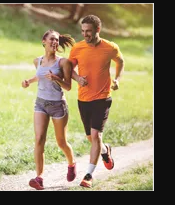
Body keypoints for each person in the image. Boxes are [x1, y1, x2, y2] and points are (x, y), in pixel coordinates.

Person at [68, 15, 125, 188]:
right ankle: (105, 151)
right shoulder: (77, 48)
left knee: (95, 136)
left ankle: (88, 175)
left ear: (97, 30)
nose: (85, 34)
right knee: (91, 138)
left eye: (89, 31)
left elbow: (120, 61)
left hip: (102, 97)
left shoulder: (110, 47)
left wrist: (117, 80)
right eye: (83, 31)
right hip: (83, 98)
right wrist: (77, 78)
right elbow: (69, 69)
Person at [22, 29, 77, 190]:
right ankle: (39, 178)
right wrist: (28, 81)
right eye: (52, 39)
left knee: (61, 142)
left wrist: (57, 78)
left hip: (58, 106)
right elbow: (40, 76)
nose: (55, 42)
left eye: (57, 40)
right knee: (39, 139)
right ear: (43, 41)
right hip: (40, 103)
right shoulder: (37, 61)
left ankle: (72, 163)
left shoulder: (63, 63)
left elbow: (68, 87)